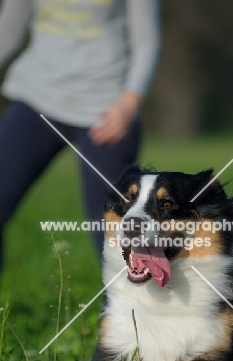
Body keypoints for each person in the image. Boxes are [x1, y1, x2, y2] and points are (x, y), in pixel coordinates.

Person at [0, 0, 160, 269]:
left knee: (118, 237)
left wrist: (129, 103)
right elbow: (8, 31)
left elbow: (147, 41)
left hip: (107, 110)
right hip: (35, 96)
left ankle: (135, 309)